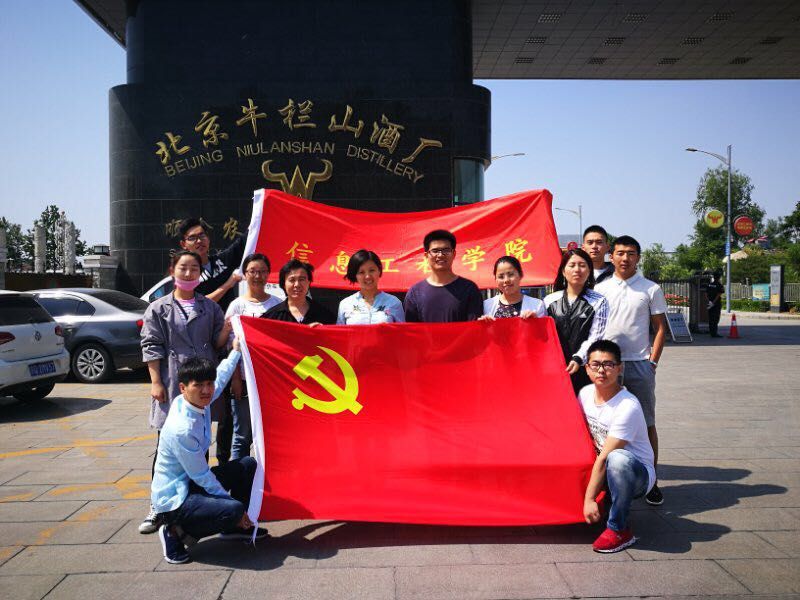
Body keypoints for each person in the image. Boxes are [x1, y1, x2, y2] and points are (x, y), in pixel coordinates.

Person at [151, 342, 268, 564]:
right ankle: (174, 532)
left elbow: (220, 378)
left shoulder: (195, 401)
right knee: (233, 509)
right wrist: (237, 510)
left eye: (208, 384)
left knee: (247, 464)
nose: (206, 391)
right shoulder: (182, 428)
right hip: (175, 497)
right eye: (198, 385)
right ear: (183, 388)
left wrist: (236, 351)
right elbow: (202, 477)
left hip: (191, 483)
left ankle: (233, 528)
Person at [139, 250, 229, 534]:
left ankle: (195, 502)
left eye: (194, 269)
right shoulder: (158, 308)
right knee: (165, 445)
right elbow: (151, 345)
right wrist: (156, 381)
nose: (189, 273)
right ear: (172, 271)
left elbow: (218, 343)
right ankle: (158, 505)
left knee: (200, 443)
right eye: (183, 268)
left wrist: (228, 331)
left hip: (202, 383)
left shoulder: (210, 307)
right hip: (173, 381)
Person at [595, 235, 667, 506]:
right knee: (604, 423)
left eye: (631, 253)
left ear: (638, 257)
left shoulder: (650, 289)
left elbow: (660, 328)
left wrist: (652, 362)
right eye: (620, 253)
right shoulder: (601, 289)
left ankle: (652, 481)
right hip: (607, 365)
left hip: (638, 364)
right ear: (611, 256)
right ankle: (605, 482)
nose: (625, 258)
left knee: (646, 422)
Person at [178, 217, 245, 468]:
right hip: (203, 345)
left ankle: (224, 462)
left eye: (202, 235)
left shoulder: (221, 262)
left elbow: (244, 241)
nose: (199, 241)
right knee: (200, 405)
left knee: (228, 408)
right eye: (193, 237)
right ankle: (198, 460)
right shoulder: (189, 273)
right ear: (183, 243)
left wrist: (263, 208)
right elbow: (202, 301)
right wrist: (230, 283)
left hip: (228, 341)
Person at [579, 340, 655, 553]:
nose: (601, 370)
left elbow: (605, 457)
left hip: (636, 474)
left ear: (620, 368)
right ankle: (605, 505)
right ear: (587, 368)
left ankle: (619, 529)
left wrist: (589, 499)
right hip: (603, 466)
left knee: (617, 459)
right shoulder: (585, 394)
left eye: (608, 364)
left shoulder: (627, 406)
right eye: (595, 364)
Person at [224, 253, 282, 460]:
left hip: (270, 382)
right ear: (245, 274)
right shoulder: (236, 306)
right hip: (244, 380)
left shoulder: (278, 304)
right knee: (242, 436)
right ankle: (238, 478)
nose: (257, 276)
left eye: (262, 271)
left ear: (268, 274)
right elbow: (231, 347)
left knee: (268, 436)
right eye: (252, 271)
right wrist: (235, 379)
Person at [543, 248, 609, 394]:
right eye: (572, 265)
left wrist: (579, 358)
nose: (577, 270)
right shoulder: (549, 301)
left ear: (589, 271)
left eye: (582, 265)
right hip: (554, 369)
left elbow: (596, 337)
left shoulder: (599, 301)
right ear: (563, 271)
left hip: (585, 369)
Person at [403, 229, 483, 323]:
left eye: (446, 250)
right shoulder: (415, 293)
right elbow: (409, 329)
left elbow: (474, 328)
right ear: (426, 255)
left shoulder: (469, 289)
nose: (440, 255)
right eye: (435, 251)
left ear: (454, 254)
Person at [337, 249, 405, 324]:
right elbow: (339, 331)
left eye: (372, 270)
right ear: (355, 275)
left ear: (379, 271)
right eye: (361, 272)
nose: (367, 276)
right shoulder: (346, 304)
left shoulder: (394, 303)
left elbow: (402, 331)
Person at [262, 259, 336, 325]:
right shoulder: (271, 317)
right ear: (284, 284)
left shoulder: (325, 315)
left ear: (309, 282)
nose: (297, 285)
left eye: (301, 279)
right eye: (292, 280)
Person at [480, 255, 545, 319]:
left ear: (520, 275)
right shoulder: (486, 306)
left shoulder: (537, 305)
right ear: (495, 279)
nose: (506, 280)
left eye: (510, 275)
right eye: (501, 277)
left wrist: (536, 322)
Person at [706, 271, 724, 337]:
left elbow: (706, 294)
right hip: (716, 304)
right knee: (716, 318)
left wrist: (709, 301)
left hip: (710, 304)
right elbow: (719, 294)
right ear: (719, 277)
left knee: (710, 318)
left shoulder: (709, 284)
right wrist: (713, 302)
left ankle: (711, 332)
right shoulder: (719, 285)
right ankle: (714, 333)